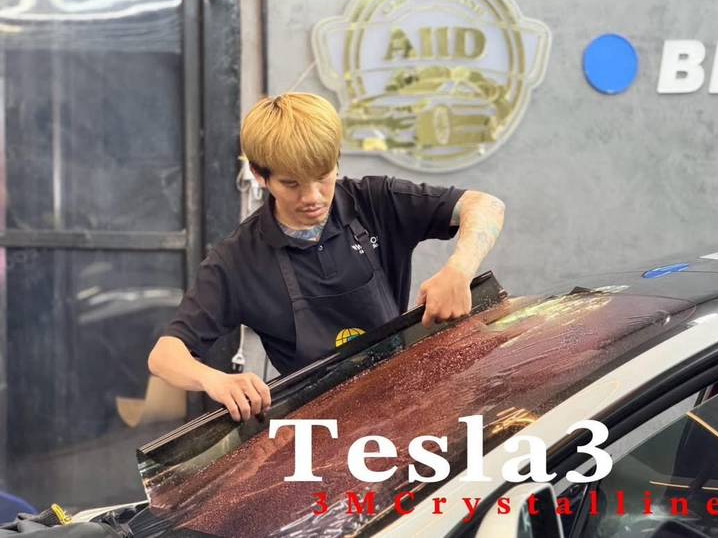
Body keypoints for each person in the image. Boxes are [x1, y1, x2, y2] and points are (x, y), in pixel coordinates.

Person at [148, 93, 505, 422]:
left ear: (336, 161)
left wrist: (459, 269)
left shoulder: (375, 202)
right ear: (259, 175)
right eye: (291, 184)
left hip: (404, 405)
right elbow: (165, 355)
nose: (313, 197)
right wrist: (214, 380)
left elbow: (485, 205)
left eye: (322, 177)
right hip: (317, 432)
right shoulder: (238, 260)